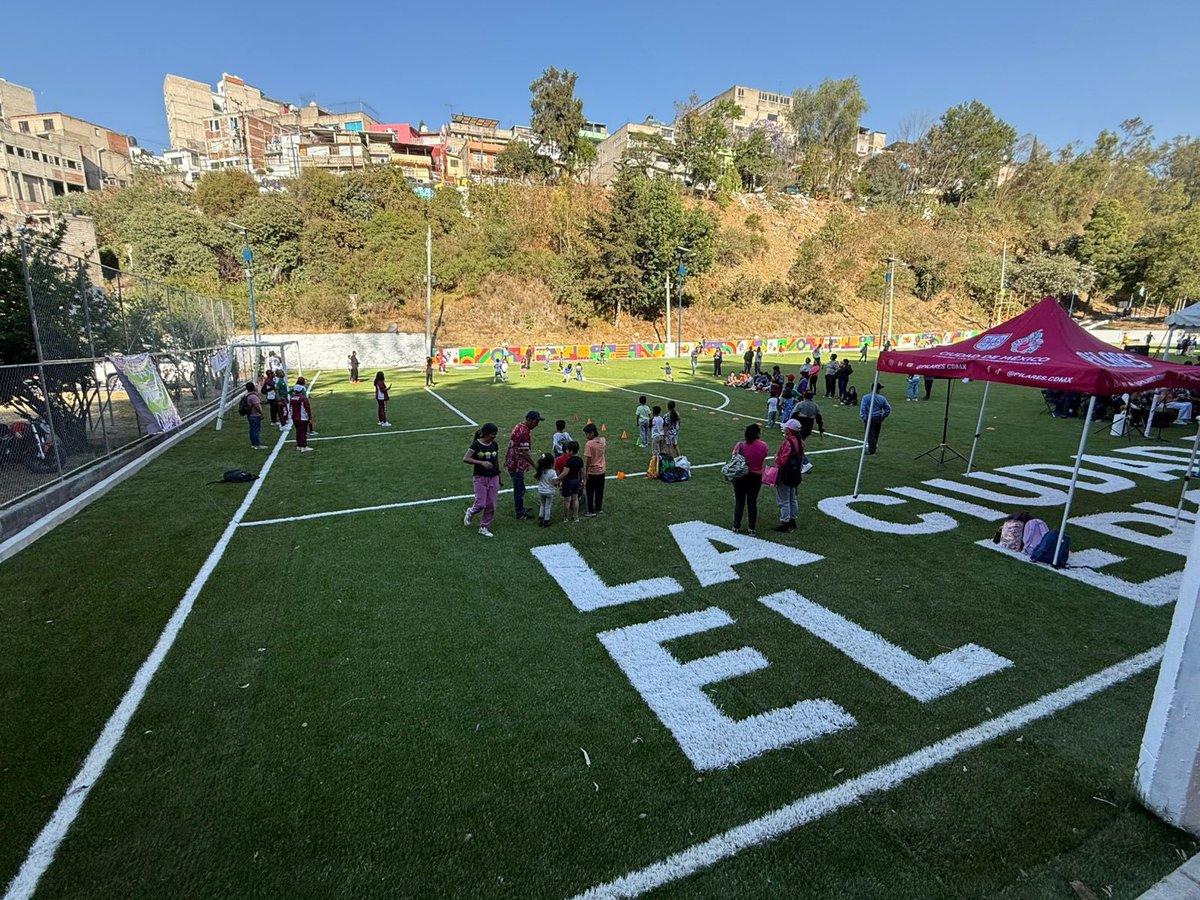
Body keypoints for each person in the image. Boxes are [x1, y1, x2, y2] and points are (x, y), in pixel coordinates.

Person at [463, 423, 501, 538]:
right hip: (480, 477)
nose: (494, 436)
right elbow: (466, 458)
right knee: (480, 503)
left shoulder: (494, 444)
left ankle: (484, 527)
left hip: (493, 477)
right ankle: (470, 512)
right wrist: (481, 462)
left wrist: (499, 476)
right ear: (486, 433)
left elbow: (496, 460)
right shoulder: (476, 445)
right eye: (493, 434)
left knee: (491, 505)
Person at [732, 423, 770, 536]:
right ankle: (752, 528)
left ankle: (736, 526)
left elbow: (733, 459)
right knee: (752, 502)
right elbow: (763, 458)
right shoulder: (763, 446)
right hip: (755, 477)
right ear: (757, 433)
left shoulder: (740, 445)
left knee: (739, 501)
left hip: (740, 476)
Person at [505, 411, 542, 520]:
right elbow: (524, 452)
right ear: (530, 419)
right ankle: (520, 513)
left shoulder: (519, 426)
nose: (537, 424)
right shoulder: (524, 432)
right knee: (519, 489)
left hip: (512, 461)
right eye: (536, 421)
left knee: (520, 487)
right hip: (516, 465)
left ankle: (520, 508)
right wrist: (535, 465)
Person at [772, 420, 804, 532]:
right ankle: (792, 520)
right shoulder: (800, 441)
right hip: (795, 474)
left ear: (790, 430)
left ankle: (784, 522)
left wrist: (776, 457)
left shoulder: (788, 442)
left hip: (785, 474)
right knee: (792, 497)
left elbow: (782, 460)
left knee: (784, 499)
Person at [583, 422, 607, 517]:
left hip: (592, 471)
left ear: (592, 433)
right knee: (599, 491)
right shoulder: (603, 440)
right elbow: (602, 440)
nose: (586, 436)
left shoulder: (589, 444)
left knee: (590, 492)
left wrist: (586, 472)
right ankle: (598, 508)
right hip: (601, 470)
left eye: (587, 434)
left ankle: (591, 511)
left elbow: (588, 459)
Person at [860, 383, 892, 455]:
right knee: (876, 434)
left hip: (869, 418)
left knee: (870, 435)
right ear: (878, 389)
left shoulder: (866, 397)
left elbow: (863, 409)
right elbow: (888, 409)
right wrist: (883, 416)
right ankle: (873, 448)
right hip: (878, 418)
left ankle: (871, 450)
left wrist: (864, 418)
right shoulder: (882, 398)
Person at [560, 441, 584, 522]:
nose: (566, 452)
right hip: (576, 481)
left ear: (571, 451)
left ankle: (566, 517)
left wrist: (558, 479)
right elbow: (582, 472)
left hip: (568, 482)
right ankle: (576, 516)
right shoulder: (580, 460)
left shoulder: (569, 461)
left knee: (567, 500)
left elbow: (565, 472)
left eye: (567, 450)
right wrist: (582, 481)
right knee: (575, 499)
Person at [534, 452, 560, 527]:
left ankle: (540, 518)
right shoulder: (552, 472)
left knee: (542, 504)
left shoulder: (540, 471)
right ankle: (546, 520)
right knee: (548, 506)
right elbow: (555, 482)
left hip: (541, 491)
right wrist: (558, 481)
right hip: (549, 491)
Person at [289, 378, 314, 452]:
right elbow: (307, 409)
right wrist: (309, 418)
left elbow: (290, 408)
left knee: (298, 432)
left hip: (295, 418)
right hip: (302, 418)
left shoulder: (292, 398)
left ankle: (299, 445)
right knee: (303, 432)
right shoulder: (303, 399)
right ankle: (304, 446)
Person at [243, 381, 264, 450]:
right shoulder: (253, 396)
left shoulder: (247, 395)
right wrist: (261, 413)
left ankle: (253, 443)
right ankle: (256, 444)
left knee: (252, 429)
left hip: (250, 415)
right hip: (254, 415)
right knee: (256, 430)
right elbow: (257, 406)